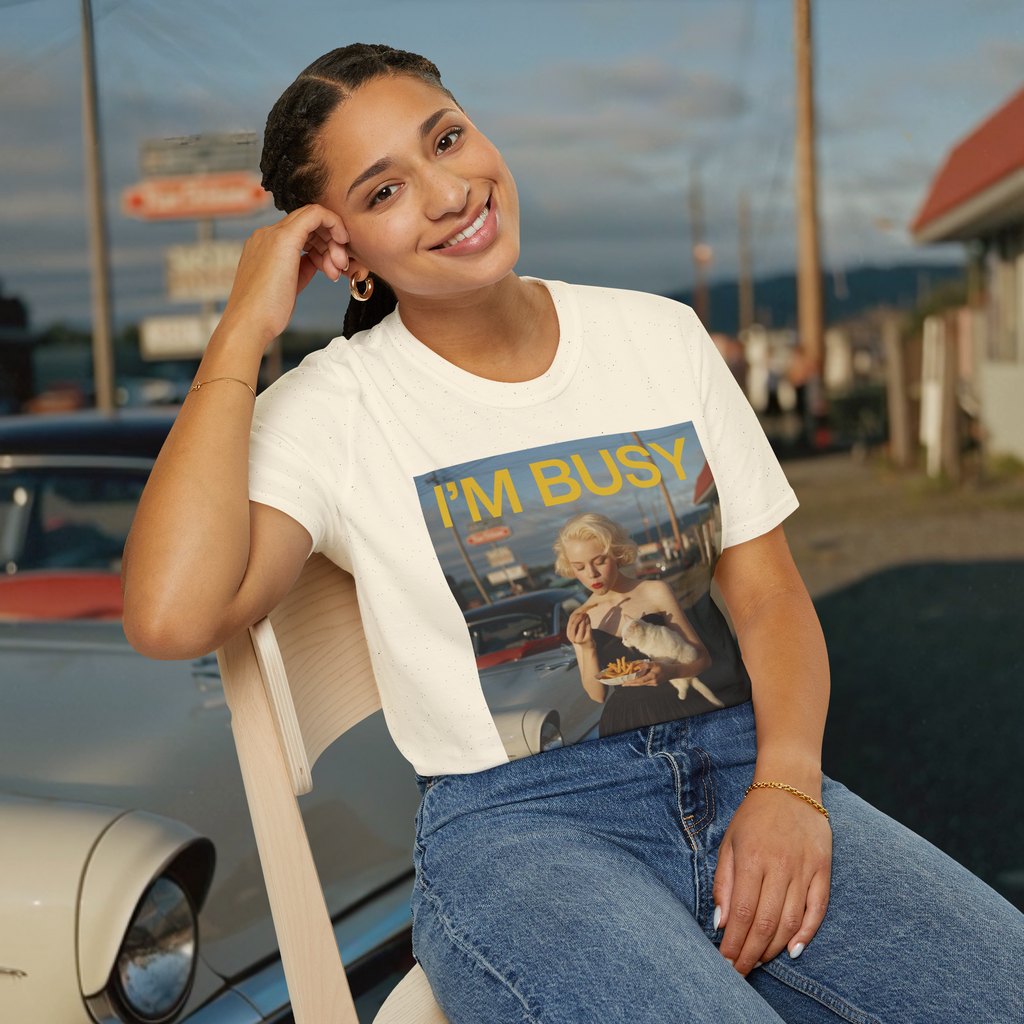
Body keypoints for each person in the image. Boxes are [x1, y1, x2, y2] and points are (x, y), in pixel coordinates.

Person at [122, 43, 1024, 1024]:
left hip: (741, 764)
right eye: (384, 191)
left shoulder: (658, 338)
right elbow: (172, 614)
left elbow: (767, 597)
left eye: (448, 138)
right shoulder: (335, 405)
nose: (448, 191)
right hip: (521, 832)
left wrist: (790, 786)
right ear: (342, 250)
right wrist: (241, 329)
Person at [555, 511, 716, 734]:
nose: (591, 574)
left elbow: (703, 660)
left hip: (682, 712)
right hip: (626, 723)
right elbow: (597, 695)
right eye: (579, 567)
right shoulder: (582, 616)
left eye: (600, 561)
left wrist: (671, 672)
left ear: (618, 554)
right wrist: (586, 647)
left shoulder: (655, 591)